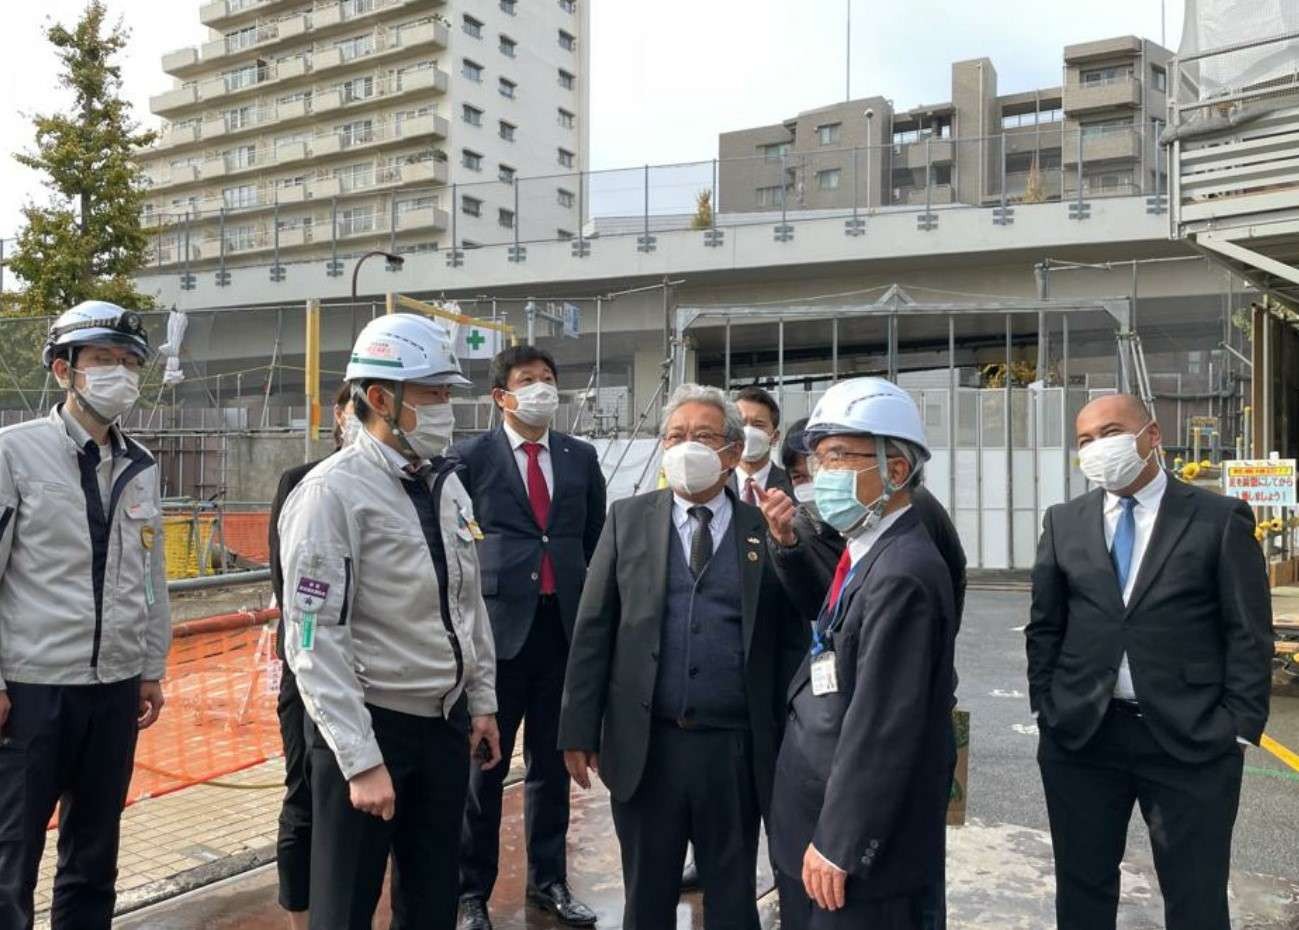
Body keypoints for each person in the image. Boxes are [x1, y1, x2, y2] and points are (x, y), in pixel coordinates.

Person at [278, 313, 502, 930]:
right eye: (433, 394)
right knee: (345, 909)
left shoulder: (444, 484)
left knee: (431, 905)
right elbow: (312, 636)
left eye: (449, 393)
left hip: (441, 727)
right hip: (370, 729)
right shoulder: (331, 495)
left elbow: (468, 602)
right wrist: (360, 759)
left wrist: (480, 701)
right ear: (381, 398)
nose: (447, 408)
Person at [1026, 393, 1272, 930]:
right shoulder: (1065, 521)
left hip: (1190, 739)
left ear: (1152, 436)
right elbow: (1046, 626)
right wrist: (1047, 705)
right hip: (1084, 737)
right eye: (1085, 440)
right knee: (1082, 888)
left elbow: (1249, 631)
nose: (1097, 448)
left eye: (1110, 432)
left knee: (1196, 894)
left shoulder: (1216, 517)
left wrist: (1239, 726)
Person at [559, 383, 800, 930]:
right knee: (647, 896)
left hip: (735, 750)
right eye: (676, 435)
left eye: (703, 436)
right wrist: (576, 727)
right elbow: (594, 628)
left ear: (733, 453)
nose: (686, 446)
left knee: (733, 898)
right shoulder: (628, 519)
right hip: (648, 746)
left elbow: (791, 635)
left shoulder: (763, 527)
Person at [760, 387, 966, 930]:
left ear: (895, 469)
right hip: (816, 803)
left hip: (850, 851)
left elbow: (884, 725)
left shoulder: (903, 573)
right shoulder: (865, 545)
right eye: (817, 457)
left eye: (837, 457)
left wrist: (838, 843)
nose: (820, 472)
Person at [0, 301, 171, 930]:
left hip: (115, 690)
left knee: (95, 857)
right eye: (102, 359)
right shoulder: (13, 455)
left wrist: (151, 667)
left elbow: (151, 579)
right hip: (33, 691)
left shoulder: (142, 465)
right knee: (11, 856)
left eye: (129, 362)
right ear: (62, 369)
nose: (119, 373)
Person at [454, 346, 604, 930]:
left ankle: (549, 882)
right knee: (484, 768)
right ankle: (471, 893)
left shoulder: (578, 456)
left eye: (548, 379)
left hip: (560, 629)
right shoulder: (470, 457)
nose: (541, 389)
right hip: (496, 635)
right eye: (527, 381)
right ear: (501, 396)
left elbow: (592, 535)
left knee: (553, 763)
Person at [266, 382, 356, 930]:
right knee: (305, 794)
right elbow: (292, 585)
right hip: (310, 672)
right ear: (341, 416)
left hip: (378, 679)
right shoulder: (304, 484)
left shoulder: (412, 486)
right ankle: (301, 918)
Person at [731, 385, 794, 503]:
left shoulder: (792, 484)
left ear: (774, 437)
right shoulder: (714, 484)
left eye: (758, 424)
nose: (748, 431)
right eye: (741, 423)